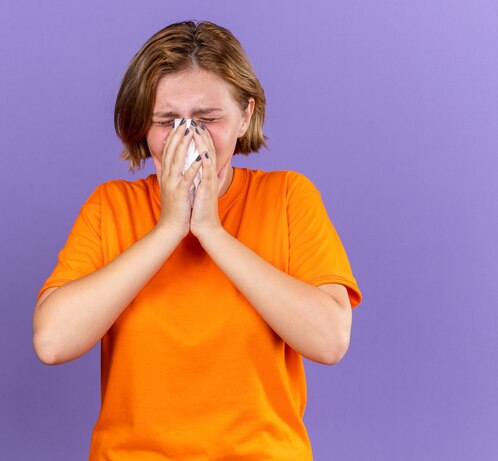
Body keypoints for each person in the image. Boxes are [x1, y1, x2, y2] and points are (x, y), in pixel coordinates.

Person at [33, 20, 362, 461]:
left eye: (208, 119)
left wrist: (210, 229)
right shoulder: (110, 206)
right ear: (141, 126)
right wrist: (170, 227)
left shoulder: (287, 197)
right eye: (168, 121)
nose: (189, 137)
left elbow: (329, 340)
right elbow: (52, 342)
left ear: (245, 115)